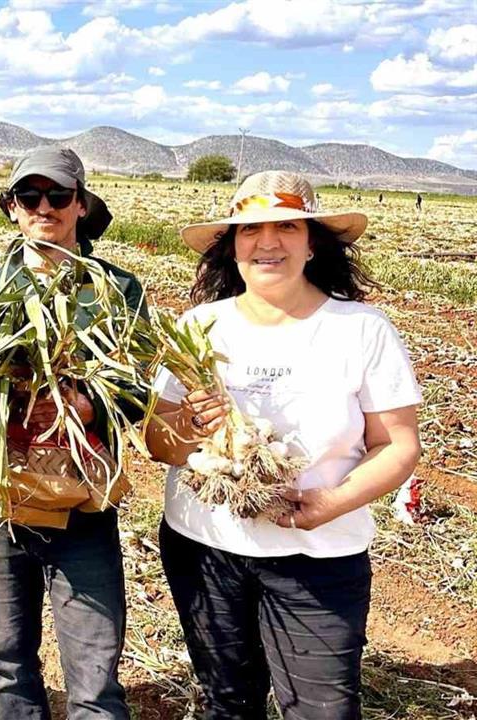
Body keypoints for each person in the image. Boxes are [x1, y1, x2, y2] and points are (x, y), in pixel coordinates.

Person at [145, 171, 422, 718]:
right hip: (206, 549)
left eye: (287, 227)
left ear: (312, 241)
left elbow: (397, 445)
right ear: (233, 245)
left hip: (318, 557)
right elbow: (156, 438)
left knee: (321, 708)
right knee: (226, 703)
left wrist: (332, 503)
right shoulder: (200, 325)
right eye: (250, 231)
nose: (267, 242)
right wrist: (194, 431)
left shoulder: (361, 329)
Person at [0, 147, 144, 720]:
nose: (45, 207)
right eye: (30, 197)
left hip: (85, 499)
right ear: (12, 209)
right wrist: (5, 401)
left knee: (95, 669)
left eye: (58, 196)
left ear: (82, 205)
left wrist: (84, 407)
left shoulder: (117, 290)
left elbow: (144, 386)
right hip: (3, 499)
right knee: (9, 657)